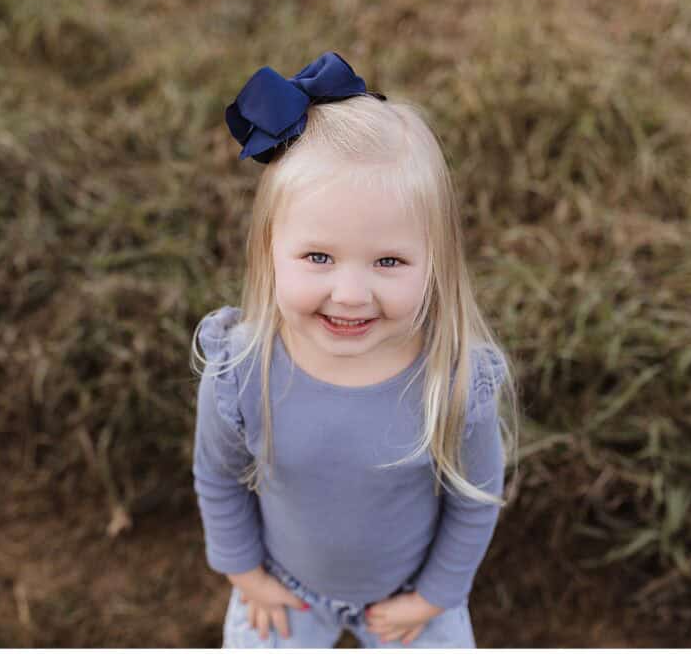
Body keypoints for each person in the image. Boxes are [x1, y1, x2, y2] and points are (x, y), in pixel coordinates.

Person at [190, 51, 521, 648]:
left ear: (436, 263)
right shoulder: (241, 370)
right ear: (268, 250)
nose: (350, 294)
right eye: (319, 257)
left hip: (411, 595)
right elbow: (217, 478)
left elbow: (473, 503)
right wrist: (247, 577)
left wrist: (432, 598)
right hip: (283, 589)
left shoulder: (451, 379)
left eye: (389, 262)